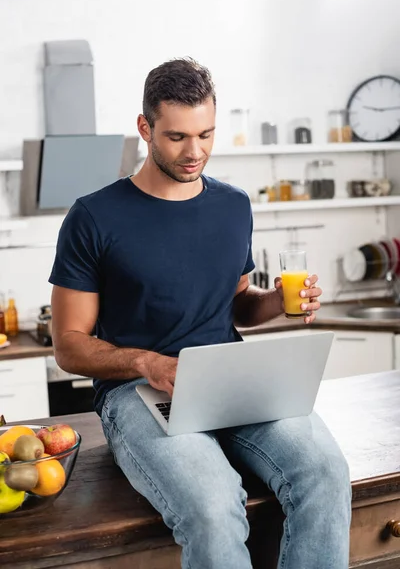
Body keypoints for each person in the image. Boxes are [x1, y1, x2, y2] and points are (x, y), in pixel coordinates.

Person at [49, 58, 352, 569]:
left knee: (325, 471)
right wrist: (150, 364)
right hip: (136, 394)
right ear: (145, 128)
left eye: (207, 134)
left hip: (230, 379)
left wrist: (277, 303)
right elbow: (69, 346)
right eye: (177, 137)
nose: (195, 153)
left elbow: (235, 304)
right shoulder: (93, 217)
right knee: (214, 507)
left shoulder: (233, 205)